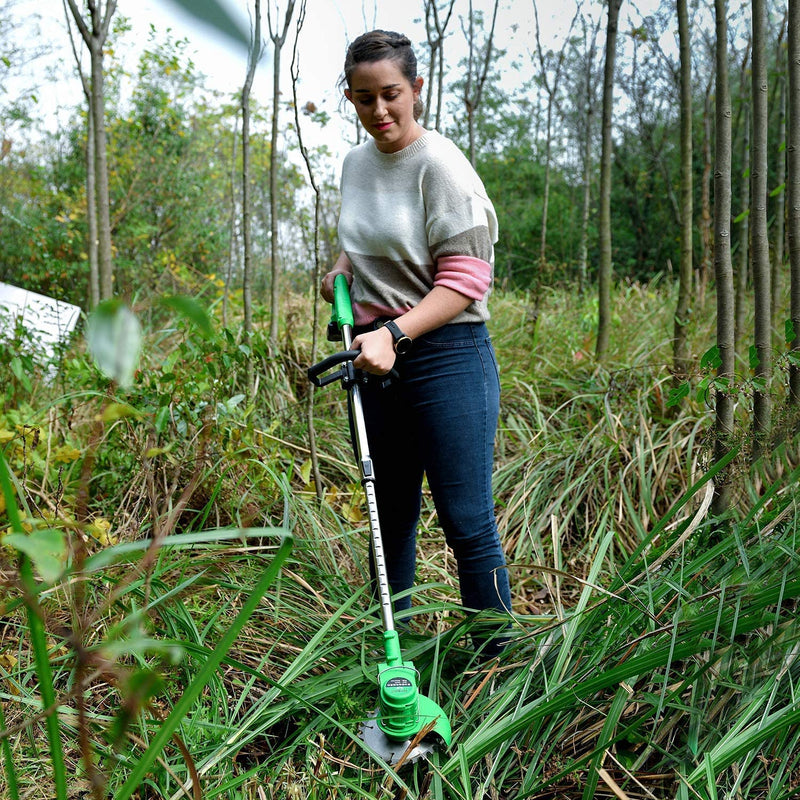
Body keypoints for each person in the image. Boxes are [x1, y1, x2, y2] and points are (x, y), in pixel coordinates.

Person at [320, 29, 511, 655]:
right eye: (364, 97)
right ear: (350, 97)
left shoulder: (442, 166)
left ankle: (493, 662)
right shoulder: (354, 163)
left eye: (392, 95)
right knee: (389, 519)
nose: (379, 111)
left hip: (446, 357)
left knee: (465, 520)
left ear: (417, 90)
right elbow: (365, 238)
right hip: (373, 359)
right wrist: (345, 269)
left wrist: (396, 333)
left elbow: (467, 278)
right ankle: (389, 653)